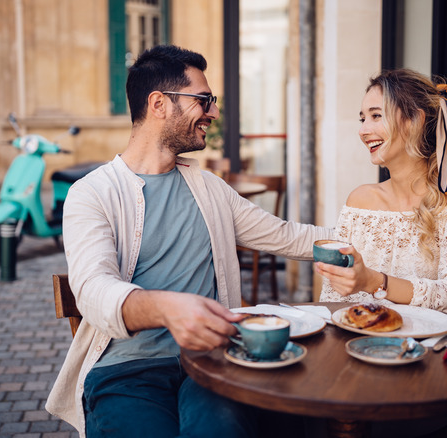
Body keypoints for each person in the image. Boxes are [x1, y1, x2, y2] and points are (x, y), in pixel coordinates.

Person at [45, 45, 332, 438]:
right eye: (204, 100)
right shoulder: (92, 193)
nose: (212, 112)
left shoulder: (211, 189)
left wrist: (372, 237)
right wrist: (167, 308)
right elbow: (93, 291)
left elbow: (286, 235)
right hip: (126, 373)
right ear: (159, 104)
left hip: (212, 363)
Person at [317, 69, 447, 320]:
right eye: (362, 119)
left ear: (415, 122)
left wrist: (375, 282)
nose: (363, 130)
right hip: (358, 345)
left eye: (376, 116)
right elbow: (333, 303)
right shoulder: (359, 203)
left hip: (430, 353)